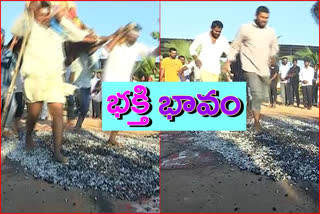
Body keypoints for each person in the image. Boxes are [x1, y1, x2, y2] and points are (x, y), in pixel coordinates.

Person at [11, 1, 94, 163]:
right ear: (35, 14)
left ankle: (57, 151)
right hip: (34, 77)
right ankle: (28, 135)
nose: (44, 17)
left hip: (55, 77)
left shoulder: (58, 27)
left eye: (47, 14)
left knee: (57, 111)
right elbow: (15, 29)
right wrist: (28, 12)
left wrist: (61, 19)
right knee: (34, 113)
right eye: (41, 14)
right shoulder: (29, 25)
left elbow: (79, 36)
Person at [102, 25, 159, 146]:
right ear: (126, 34)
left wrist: (160, 44)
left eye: (137, 36)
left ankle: (112, 138)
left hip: (124, 82)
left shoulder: (138, 47)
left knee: (121, 113)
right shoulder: (117, 44)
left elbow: (152, 53)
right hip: (109, 81)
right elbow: (105, 50)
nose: (135, 38)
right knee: (112, 111)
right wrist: (117, 36)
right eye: (132, 35)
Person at [226, 6, 279, 133]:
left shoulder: (270, 32)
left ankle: (253, 116)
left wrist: (272, 56)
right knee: (255, 93)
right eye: (262, 17)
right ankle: (256, 122)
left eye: (266, 18)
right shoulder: (245, 29)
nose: (264, 20)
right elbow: (235, 45)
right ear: (256, 15)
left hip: (263, 70)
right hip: (249, 67)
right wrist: (228, 61)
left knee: (260, 96)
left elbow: (274, 47)